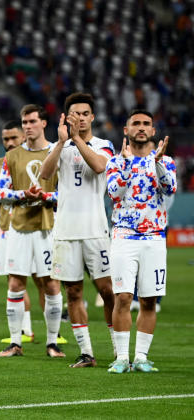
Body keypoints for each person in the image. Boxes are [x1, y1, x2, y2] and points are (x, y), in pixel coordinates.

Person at [39, 93, 117, 368]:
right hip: (65, 231)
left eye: (85, 114)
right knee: (73, 292)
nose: (81, 118)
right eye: (76, 114)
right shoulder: (60, 146)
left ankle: (120, 351)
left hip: (95, 229)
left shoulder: (104, 145)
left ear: (92, 117)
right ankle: (86, 352)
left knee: (107, 291)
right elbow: (45, 175)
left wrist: (77, 139)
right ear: (67, 117)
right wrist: (61, 142)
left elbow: (98, 167)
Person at [105, 109, 176, 373]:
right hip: (124, 236)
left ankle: (142, 357)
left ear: (154, 131)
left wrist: (156, 162)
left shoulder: (165, 161)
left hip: (155, 237)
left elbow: (170, 188)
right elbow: (114, 192)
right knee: (123, 297)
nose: (141, 127)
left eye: (146, 123)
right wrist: (125, 165)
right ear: (126, 130)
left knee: (148, 300)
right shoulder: (114, 162)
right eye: (136, 123)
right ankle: (122, 358)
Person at [0, 104, 64, 358]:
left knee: (52, 285)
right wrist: (22, 194)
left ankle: (52, 343)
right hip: (20, 227)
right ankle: (15, 343)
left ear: (44, 123)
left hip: (48, 226)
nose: (27, 126)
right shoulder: (12, 156)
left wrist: (48, 196)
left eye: (32, 121)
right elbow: (1, 193)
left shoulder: (57, 152)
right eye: (24, 122)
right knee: (15, 283)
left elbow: (66, 191)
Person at [0, 121, 37, 342]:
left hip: (36, 226)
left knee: (43, 280)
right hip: (6, 228)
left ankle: (54, 334)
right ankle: (25, 330)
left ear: (23, 137)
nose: (9, 143)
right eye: (5, 139)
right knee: (14, 280)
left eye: (13, 138)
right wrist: (3, 188)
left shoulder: (36, 159)